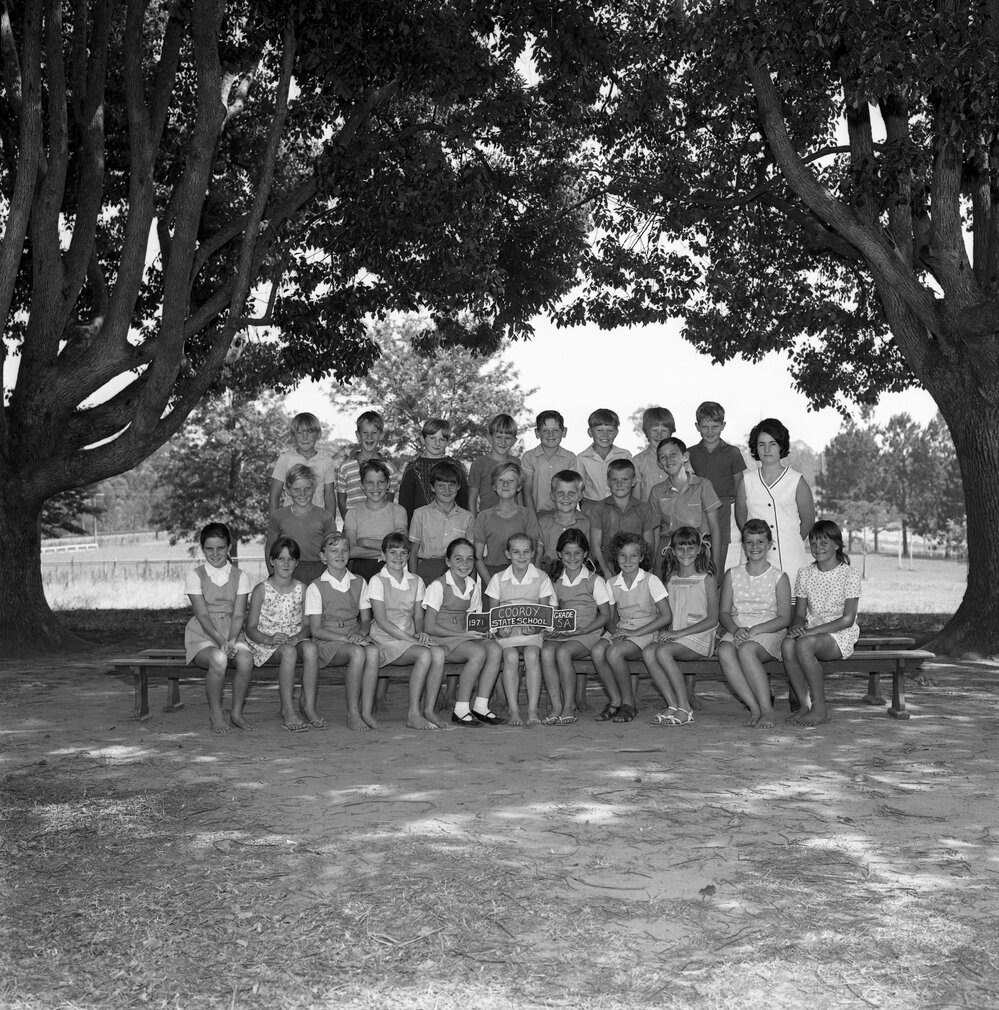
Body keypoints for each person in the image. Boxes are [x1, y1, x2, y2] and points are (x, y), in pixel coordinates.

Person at [367, 532, 450, 731]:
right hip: (385, 639)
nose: (398, 557)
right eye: (393, 552)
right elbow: (382, 621)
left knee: (437, 652)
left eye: (403, 553)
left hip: (409, 638)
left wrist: (421, 634)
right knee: (423, 654)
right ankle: (413, 713)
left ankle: (429, 710)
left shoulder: (416, 580)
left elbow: (418, 617)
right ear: (383, 554)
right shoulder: (377, 581)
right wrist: (413, 640)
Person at [783, 520, 862, 727]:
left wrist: (811, 632)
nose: (818, 548)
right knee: (788, 644)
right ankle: (805, 705)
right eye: (814, 544)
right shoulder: (805, 573)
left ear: (836, 545)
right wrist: (798, 626)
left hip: (840, 632)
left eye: (824, 543)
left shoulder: (850, 574)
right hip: (813, 630)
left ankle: (820, 709)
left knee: (804, 643)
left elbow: (847, 619)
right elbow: (800, 614)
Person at [717, 519, 792, 728]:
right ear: (743, 545)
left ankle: (768, 710)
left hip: (769, 629)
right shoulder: (733, 574)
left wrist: (755, 630)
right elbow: (723, 612)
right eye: (749, 542)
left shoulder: (779, 577)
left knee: (747, 650)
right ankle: (754, 707)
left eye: (760, 542)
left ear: (770, 544)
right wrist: (735, 629)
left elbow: (784, 617)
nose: (755, 547)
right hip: (739, 627)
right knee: (724, 650)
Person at [422, 538, 505, 726]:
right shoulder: (438, 586)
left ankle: (481, 706)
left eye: (469, 559)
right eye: (458, 559)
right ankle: (460, 709)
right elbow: (429, 627)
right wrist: (465, 635)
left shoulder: (473, 586)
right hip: (441, 639)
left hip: (462, 638)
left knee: (494, 648)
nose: (465, 564)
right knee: (477, 652)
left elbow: (472, 622)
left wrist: (484, 632)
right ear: (448, 561)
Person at [590, 533, 672, 724]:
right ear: (616, 558)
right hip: (622, 628)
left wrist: (633, 634)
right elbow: (609, 618)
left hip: (646, 628)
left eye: (633, 556)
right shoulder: (611, 583)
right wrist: (617, 632)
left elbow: (667, 616)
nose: (627, 560)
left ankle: (628, 703)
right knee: (597, 651)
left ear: (642, 557)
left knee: (614, 653)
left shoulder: (651, 580)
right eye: (622, 556)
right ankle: (615, 700)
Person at [304, 532, 381, 731]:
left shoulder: (359, 581)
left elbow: (365, 620)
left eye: (344, 550)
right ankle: (352, 713)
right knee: (357, 652)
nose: (340, 554)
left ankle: (366, 711)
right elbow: (315, 629)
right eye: (334, 550)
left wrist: (362, 634)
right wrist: (347, 639)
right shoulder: (316, 587)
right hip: (328, 640)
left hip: (354, 635)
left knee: (372, 651)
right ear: (323, 557)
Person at [183, 522, 254, 734]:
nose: (215, 553)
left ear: (229, 547)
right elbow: (202, 614)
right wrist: (221, 642)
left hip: (232, 631)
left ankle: (236, 713)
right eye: (209, 549)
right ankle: (216, 714)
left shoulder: (240, 576)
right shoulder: (195, 575)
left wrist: (231, 640)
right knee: (219, 658)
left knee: (246, 659)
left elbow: (239, 614)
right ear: (202, 548)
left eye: (221, 548)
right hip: (203, 633)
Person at [245, 537, 322, 732]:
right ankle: (287, 710)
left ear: (297, 563)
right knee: (288, 652)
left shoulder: (302, 589)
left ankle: (309, 706)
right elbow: (250, 628)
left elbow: (308, 625)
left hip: (293, 640)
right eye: (281, 558)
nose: (286, 563)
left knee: (311, 648)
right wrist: (268, 639)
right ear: (271, 561)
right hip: (265, 643)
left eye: (291, 559)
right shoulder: (261, 590)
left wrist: (297, 638)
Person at [645, 527, 719, 726]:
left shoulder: (707, 578)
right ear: (672, 551)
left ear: (699, 550)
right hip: (676, 637)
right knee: (649, 652)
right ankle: (672, 704)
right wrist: (664, 633)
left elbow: (713, 619)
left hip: (699, 637)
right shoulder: (670, 578)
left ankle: (685, 708)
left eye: (691, 548)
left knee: (663, 653)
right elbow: (667, 615)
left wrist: (678, 633)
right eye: (680, 548)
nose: (685, 553)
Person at [485, 533, 558, 727]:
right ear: (508, 554)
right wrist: (500, 631)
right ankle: (514, 710)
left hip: (532, 632)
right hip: (507, 634)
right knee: (510, 657)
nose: (522, 556)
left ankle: (533, 709)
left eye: (526, 552)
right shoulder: (498, 579)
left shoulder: (541, 577)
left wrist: (536, 626)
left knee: (533, 655)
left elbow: (546, 612)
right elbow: (493, 614)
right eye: (516, 552)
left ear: (533, 553)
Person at [540, 530, 611, 724]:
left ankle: (568, 706)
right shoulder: (556, 581)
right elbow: (552, 612)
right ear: (559, 554)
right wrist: (551, 627)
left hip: (589, 633)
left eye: (578, 553)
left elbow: (606, 615)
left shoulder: (594, 580)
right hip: (565, 632)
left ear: (586, 554)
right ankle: (556, 706)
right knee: (546, 652)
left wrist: (584, 630)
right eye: (567, 553)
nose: (572, 558)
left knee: (563, 653)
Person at [736, 417, 815, 581]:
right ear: (755, 448)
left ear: (781, 446)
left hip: (791, 560)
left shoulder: (796, 481)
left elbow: (808, 521)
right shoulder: (747, 481)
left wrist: (790, 542)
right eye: (761, 444)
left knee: (791, 604)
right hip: (755, 559)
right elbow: (741, 519)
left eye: (772, 444)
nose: (767, 449)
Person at [648, 436, 724, 576]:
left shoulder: (702, 485)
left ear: (685, 456)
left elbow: (715, 528)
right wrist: (654, 565)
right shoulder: (657, 491)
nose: (668, 460)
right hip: (668, 553)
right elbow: (655, 530)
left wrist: (716, 565)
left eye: (673, 454)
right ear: (659, 464)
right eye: (663, 457)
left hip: (697, 552)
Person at [688, 401, 746, 570]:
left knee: (718, 557)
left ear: (723, 426)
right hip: (695, 508)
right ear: (697, 426)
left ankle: (718, 589)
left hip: (722, 506)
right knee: (695, 552)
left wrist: (730, 499)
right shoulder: (689, 453)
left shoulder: (733, 452)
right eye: (705, 427)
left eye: (715, 426)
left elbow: (739, 483)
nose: (710, 431)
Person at [265, 463, 337, 584]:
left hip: (319, 572)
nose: (302, 494)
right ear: (288, 490)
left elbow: (333, 549)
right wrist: (273, 574)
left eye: (307, 489)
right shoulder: (278, 517)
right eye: (296, 489)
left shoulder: (326, 517)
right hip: (288, 571)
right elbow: (270, 548)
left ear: (314, 488)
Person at [473, 461, 542, 583]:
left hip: (522, 576)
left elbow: (533, 552)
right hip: (492, 576)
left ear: (519, 486)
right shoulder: (483, 516)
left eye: (511, 481)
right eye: (500, 480)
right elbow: (477, 557)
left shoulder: (527, 515)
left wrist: (522, 581)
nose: (505, 484)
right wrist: (491, 585)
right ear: (494, 486)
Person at [588, 458, 656, 580]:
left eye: (625, 479)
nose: (619, 484)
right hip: (606, 569)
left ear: (634, 481)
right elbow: (595, 546)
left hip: (636, 568)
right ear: (608, 482)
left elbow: (648, 546)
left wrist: (647, 573)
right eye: (615, 480)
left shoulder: (644, 509)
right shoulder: (598, 508)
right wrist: (606, 572)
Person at [407, 461, 473, 583]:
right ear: (432, 487)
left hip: (458, 571)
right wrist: (414, 581)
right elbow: (413, 551)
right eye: (441, 485)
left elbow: (471, 553)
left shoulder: (467, 517)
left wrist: (472, 584)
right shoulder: (420, 514)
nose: (447, 490)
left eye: (452, 485)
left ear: (458, 486)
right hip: (427, 571)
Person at [344, 460, 408, 581]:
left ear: (388, 484)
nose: (376, 487)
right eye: (370, 482)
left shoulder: (398, 511)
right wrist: (387, 552)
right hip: (361, 572)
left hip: (393, 570)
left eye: (381, 482)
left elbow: (402, 546)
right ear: (361, 485)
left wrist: (365, 542)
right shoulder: (353, 513)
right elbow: (351, 551)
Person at [398, 418, 469, 521]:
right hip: (421, 527)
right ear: (423, 439)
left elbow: (464, 500)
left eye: (442, 439)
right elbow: (405, 504)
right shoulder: (413, 468)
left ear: (447, 442)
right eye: (432, 438)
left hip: (453, 526)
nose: (437, 443)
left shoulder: (456, 466)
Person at [335, 410, 399, 521]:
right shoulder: (345, 467)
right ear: (358, 435)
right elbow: (341, 501)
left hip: (379, 526)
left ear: (381, 435)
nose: (369, 437)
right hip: (353, 527)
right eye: (365, 433)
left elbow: (389, 502)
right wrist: (350, 524)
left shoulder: (390, 469)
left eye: (374, 433)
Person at [269, 412, 337, 515]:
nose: (305, 437)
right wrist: (274, 526)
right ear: (293, 436)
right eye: (299, 433)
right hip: (290, 523)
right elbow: (274, 495)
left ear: (318, 435)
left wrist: (330, 527)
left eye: (309, 432)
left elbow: (329, 497)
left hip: (317, 524)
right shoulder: (285, 459)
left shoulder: (326, 461)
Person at [520, 410, 577, 517]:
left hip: (563, 515)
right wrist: (532, 520)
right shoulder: (529, 457)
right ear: (537, 433)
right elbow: (526, 491)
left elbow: (572, 490)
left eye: (555, 430)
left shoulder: (570, 458)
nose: (551, 434)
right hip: (536, 514)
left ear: (564, 432)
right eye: (545, 430)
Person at [574, 408, 632, 510]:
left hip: (620, 507)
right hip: (591, 507)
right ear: (590, 432)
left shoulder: (625, 455)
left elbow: (632, 484)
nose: (605, 434)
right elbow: (578, 489)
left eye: (610, 430)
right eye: (599, 430)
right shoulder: (582, 458)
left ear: (616, 433)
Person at [468, 413, 520, 519]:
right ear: (490, 437)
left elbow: (520, 496)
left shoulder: (517, 463)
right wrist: (474, 526)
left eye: (508, 438)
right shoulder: (479, 464)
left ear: (514, 440)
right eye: (499, 437)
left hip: (514, 521)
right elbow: (472, 499)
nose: (503, 442)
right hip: (486, 521)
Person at [539, 470, 591, 573]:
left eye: (571, 493)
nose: (565, 497)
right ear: (552, 496)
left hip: (577, 575)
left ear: (580, 496)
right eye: (560, 493)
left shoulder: (586, 523)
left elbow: (589, 555)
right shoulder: (543, 522)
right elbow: (538, 554)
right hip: (548, 575)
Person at [632, 406, 676, 501]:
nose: (659, 435)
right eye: (654, 431)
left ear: (671, 432)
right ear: (646, 432)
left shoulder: (680, 458)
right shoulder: (638, 461)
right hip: (648, 513)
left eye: (664, 431)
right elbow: (636, 496)